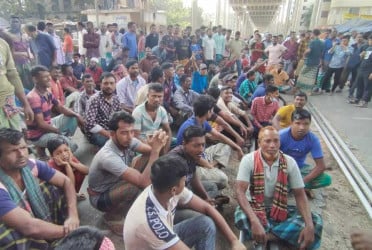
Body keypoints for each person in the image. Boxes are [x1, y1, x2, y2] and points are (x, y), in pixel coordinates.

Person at [124, 154, 246, 250]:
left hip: (160, 240)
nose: (186, 182)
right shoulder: (151, 222)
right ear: (173, 189)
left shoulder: (165, 190)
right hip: (153, 243)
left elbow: (207, 208)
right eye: (184, 180)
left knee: (205, 224)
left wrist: (234, 241)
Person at [235, 126, 323, 249]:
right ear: (259, 143)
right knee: (241, 217)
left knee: (315, 221)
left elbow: (300, 194)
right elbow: (240, 192)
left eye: (276, 141)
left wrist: (309, 225)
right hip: (254, 206)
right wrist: (254, 221)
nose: (272, 145)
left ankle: (266, 235)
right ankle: (281, 234)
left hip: (279, 209)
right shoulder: (248, 160)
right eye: (267, 141)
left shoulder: (289, 162)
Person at [87, 111, 168, 235]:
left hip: (115, 183)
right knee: (134, 188)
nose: (130, 137)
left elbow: (150, 152)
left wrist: (156, 144)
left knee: (148, 157)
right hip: (99, 197)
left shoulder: (128, 140)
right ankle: (112, 217)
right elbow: (143, 182)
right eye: (124, 132)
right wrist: (156, 151)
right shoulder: (107, 156)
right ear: (112, 134)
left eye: (131, 131)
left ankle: (138, 204)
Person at [0, 128, 79, 249]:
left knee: (52, 188)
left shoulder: (31, 165)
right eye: (13, 151)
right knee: (7, 232)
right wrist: (68, 231)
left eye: (23, 148)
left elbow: (66, 181)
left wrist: (73, 215)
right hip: (22, 226)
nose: (21, 154)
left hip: (31, 220)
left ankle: (59, 233)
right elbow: (28, 227)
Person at [26, 65, 84, 158]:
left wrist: (77, 115)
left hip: (49, 124)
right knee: (72, 147)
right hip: (38, 134)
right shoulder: (33, 97)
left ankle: (56, 142)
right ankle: (42, 146)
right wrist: (57, 131)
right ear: (35, 79)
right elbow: (41, 124)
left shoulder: (47, 92)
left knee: (72, 117)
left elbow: (61, 108)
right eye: (45, 77)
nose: (49, 79)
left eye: (49, 76)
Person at [279, 109, 332, 190]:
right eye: (298, 123)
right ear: (291, 123)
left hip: (299, 168)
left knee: (326, 179)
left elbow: (321, 166)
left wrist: (302, 182)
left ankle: (293, 186)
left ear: (309, 124)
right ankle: (292, 187)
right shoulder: (281, 136)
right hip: (281, 168)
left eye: (306, 124)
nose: (302, 127)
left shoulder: (313, 139)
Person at [0, 37, 34, 130]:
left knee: (16, 138)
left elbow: (13, 75)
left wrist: (25, 104)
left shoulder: (2, 44)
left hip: (8, 101)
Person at [132, 83, 173, 153]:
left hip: (156, 140)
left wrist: (165, 152)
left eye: (160, 96)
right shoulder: (138, 112)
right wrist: (154, 148)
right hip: (142, 143)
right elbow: (136, 136)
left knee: (177, 142)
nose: (157, 99)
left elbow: (167, 130)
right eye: (154, 96)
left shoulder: (162, 110)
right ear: (148, 96)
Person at [84, 72, 122, 147]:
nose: (109, 86)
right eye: (106, 83)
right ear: (100, 85)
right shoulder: (94, 99)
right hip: (97, 132)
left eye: (112, 83)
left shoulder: (116, 98)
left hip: (110, 129)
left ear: (115, 85)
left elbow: (119, 117)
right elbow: (89, 124)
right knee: (113, 145)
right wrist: (108, 134)